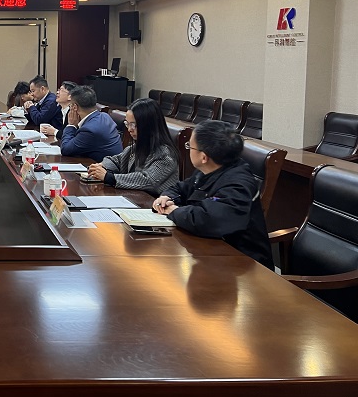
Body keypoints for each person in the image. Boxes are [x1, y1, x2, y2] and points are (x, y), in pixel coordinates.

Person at [154, 120, 273, 270]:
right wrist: (167, 198)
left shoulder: (238, 185)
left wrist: (174, 211)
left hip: (243, 265)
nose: (188, 149)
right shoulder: (210, 169)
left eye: (189, 146)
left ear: (204, 157)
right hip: (210, 252)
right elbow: (180, 188)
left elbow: (208, 219)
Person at [86, 98, 178, 196]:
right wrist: (101, 166)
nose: (129, 129)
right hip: (134, 198)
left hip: (154, 203)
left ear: (149, 125)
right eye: (127, 124)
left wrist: (109, 177)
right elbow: (116, 160)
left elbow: (147, 180)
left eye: (134, 125)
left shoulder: (166, 155)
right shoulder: (136, 147)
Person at [60, 85, 122, 161]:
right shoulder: (104, 116)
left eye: (70, 105)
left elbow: (65, 149)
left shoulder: (89, 130)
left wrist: (71, 125)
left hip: (103, 166)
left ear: (75, 107)